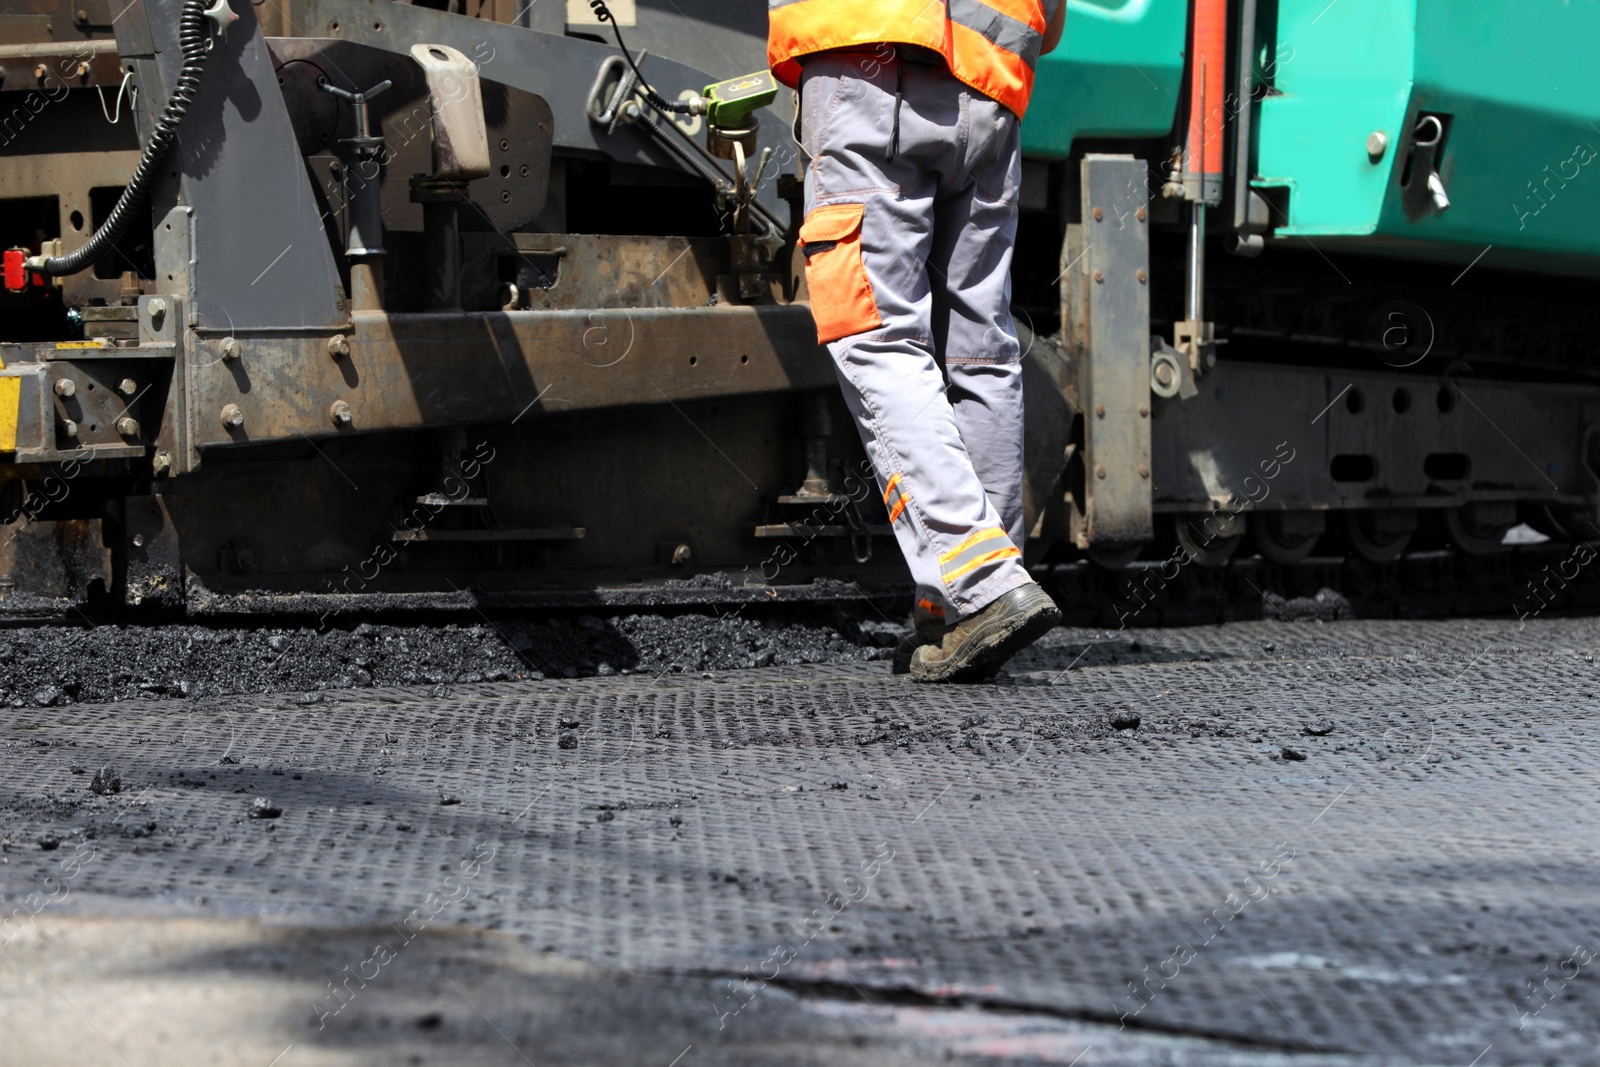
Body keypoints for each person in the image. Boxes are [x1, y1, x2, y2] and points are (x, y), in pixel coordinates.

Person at [768, 0, 1067, 682]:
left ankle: (981, 585)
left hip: (867, 54)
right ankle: (961, 610)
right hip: (992, 76)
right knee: (980, 348)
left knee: (873, 331)